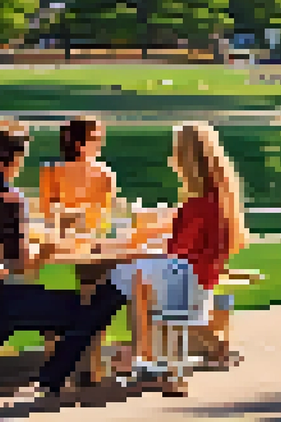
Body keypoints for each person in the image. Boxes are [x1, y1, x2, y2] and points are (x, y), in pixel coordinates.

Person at [0, 119, 127, 400]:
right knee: (98, 303)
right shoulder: (7, 198)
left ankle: (51, 380)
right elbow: (24, 267)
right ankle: (50, 381)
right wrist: (48, 248)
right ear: (18, 157)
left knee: (51, 304)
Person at [106, 122, 250, 380]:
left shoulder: (197, 205)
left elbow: (177, 253)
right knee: (137, 275)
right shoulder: (219, 199)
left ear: (186, 158)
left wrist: (138, 248)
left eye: (175, 152)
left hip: (188, 281)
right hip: (201, 279)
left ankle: (143, 356)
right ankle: (152, 355)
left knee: (128, 273)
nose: (172, 158)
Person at [38, 117, 119, 239]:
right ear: (78, 144)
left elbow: (106, 219)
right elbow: (47, 215)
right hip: (61, 237)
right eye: (95, 139)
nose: (100, 144)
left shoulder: (105, 174)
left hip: (94, 238)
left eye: (100, 139)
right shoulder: (52, 172)